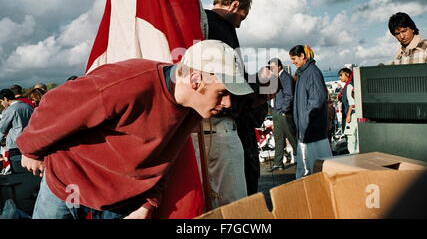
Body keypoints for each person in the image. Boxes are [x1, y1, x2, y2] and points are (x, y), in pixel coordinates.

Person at [16, 40, 254, 219]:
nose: (227, 104)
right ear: (195, 80)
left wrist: (148, 203)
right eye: (222, 93)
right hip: (67, 185)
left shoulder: (193, 109)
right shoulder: (128, 83)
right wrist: (30, 150)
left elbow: (164, 160)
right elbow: (56, 104)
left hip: (118, 202)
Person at [192, 0, 271, 207]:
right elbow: (230, 80)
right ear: (234, 5)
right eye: (242, 18)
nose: (240, 24)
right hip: (224, 124)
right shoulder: (222, 28)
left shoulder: (201, 24)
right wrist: (259, 91)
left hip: (203, 123)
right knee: (235, 197)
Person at [289, 45, 332, 179]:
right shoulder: (303, 73)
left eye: (294, 58)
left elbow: (317, 100)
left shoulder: (311, 72)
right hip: (306, 129)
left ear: (303, 56)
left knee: (316, 169)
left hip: (311, 129)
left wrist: (304, 121)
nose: (292, 62)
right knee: (308, 167)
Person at [268, 58, 297, 172]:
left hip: (283, 113)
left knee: (292, 137)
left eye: (273, 67)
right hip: (276, 111)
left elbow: (289, 95)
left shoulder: (286, 78)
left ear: (279, 66)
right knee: (278, 138)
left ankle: (303, 160)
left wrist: (284, 110)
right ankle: (278, 163)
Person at [0, 89, 34, 173]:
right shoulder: (28, 107)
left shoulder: (10, 110)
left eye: (1, 101)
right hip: (30, 143)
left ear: (5, 99)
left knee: (18, 172)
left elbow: (2, 128)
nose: (1, 104)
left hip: (15, 145)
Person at [338, 68, 358, 154]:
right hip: (352, 114)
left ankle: (352, 154)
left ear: (347, 75)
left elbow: (351, 103)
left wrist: (348, 115)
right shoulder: (350, 85)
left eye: (341, 75)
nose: (340, 78)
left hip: (350, 114)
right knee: (354, 136)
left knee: (350, 137)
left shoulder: (349, 86)